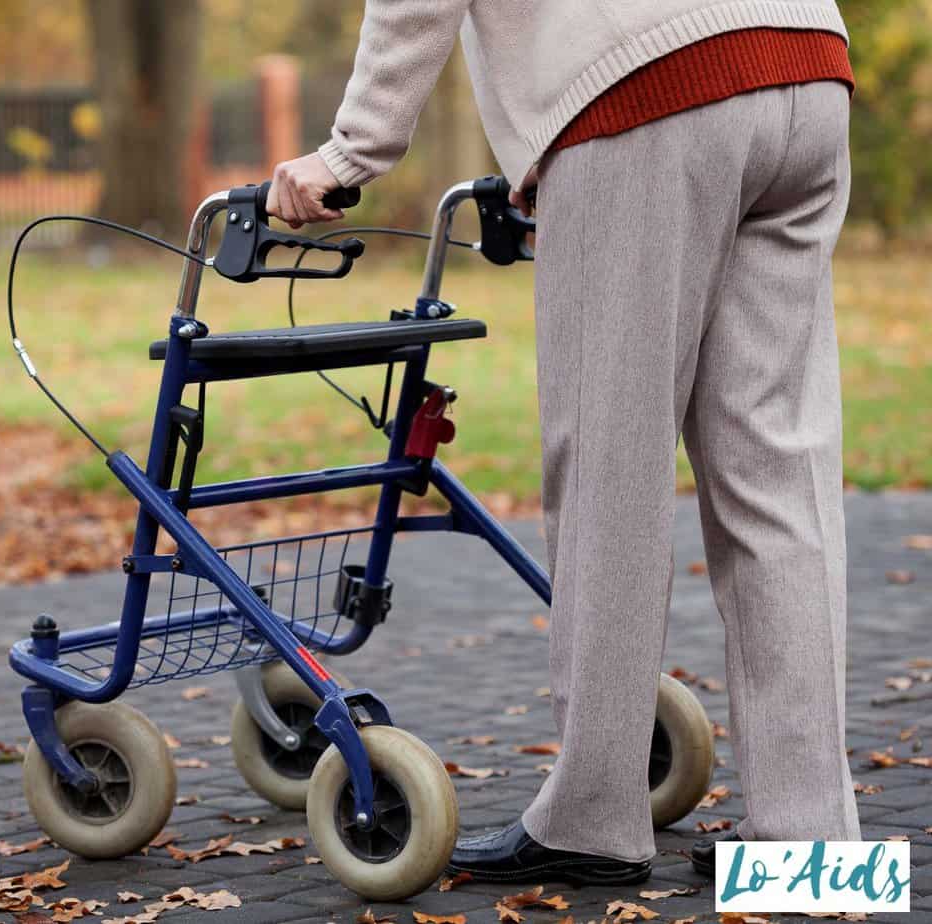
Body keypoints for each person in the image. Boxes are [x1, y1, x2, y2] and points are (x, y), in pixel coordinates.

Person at [266, 0, 861, 886]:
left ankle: (592, 821)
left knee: (610, 471)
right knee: (777, 470)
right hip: (805, 64)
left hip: (645, 91)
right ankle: (812, 851)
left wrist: (351, 153)